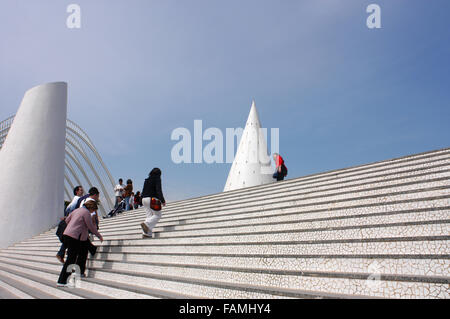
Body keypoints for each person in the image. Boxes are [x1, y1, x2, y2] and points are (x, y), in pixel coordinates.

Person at [57, 200, 103, 287]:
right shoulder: (86, 213)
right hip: (74, 237)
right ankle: (62, 281)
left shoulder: (77, 210)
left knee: (74, 256)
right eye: (93, 210)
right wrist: (99, 236)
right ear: (91, 207)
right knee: (71, 259)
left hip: (67, 234)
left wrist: (76, 225)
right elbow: (91, 226)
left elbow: (67, 220)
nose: (93, 212)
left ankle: (71, 276)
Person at [56, 186, 84, 264]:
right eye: (81, 190)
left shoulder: (74, 200)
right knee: (72, 240)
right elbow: (73, 211)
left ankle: (61, 254)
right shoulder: (77, 200)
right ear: (77, 192)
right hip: (73, 223)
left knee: (69, 239)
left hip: (70, 222)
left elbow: (67, 211)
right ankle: (64, 255)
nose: (82, 191)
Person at [140, 168, 166, 238]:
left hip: (144, 199)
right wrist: (162, 200)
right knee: (158, 215)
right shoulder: (157, 178)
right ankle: (146, 224)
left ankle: (147, 234)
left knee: (149, 216)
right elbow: (158, 190)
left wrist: (140, 200)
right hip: (152, 199)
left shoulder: (147, 180)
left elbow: (143, 191)